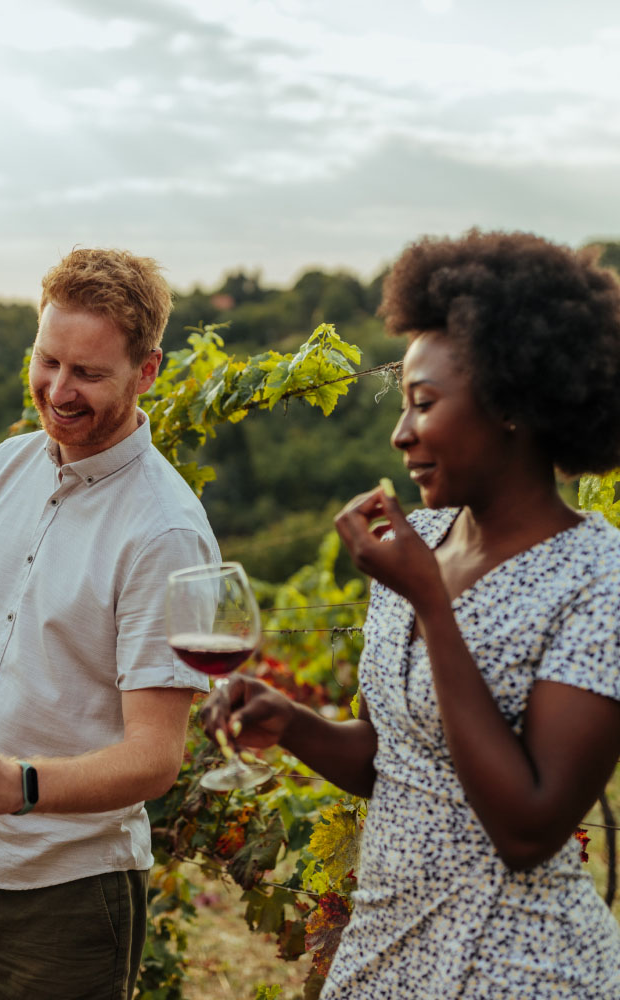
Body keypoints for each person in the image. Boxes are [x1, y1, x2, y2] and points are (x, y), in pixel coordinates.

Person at [202, 230, 620, 998]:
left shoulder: (598, 581)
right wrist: (292, 722)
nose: (400, 435)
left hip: (519, 966)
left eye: (423, 405)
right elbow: (396, 762)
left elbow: (530, 829)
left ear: (513, 406)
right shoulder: (419, 540)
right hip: (386, 954)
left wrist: (431, 603)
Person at [0, 247, 220, 1000]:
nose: (59, 390)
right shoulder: (10, 464)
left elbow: (156, 756)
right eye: (48, 361)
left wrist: (22, 786)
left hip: (60, 893)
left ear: (149, 372)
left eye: (89, 374)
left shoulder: (165, 533)